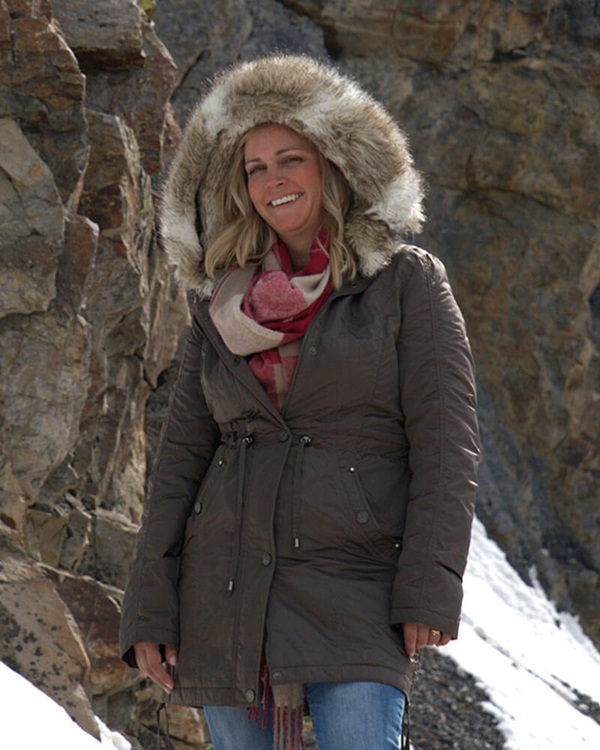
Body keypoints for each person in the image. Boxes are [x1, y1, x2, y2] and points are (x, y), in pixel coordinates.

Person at [119, 54, 480, 750]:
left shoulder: (405, 283)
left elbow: (446, 448)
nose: (273, 180)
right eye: (255, 168)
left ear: (333, 165)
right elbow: (179, 465)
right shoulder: (217, 303)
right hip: (222, 595)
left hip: (356, 587)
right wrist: (150, 609)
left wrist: (429, 588)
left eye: (291, 160)